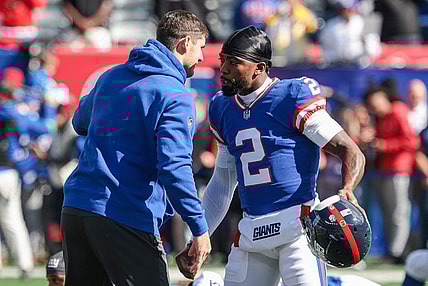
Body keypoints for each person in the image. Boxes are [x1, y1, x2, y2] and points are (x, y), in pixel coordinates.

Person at [176, 25, 366, 286]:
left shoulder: (292, 96)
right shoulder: (221, 107)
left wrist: (347, 188)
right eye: (223, 60)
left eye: (234, 62)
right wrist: (198, 235)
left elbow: (350, 150)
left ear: (259, 67)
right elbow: (222, 182)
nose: (224, 69)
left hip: (297, 230)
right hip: (252, 232)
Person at [61, 10, 212, 286]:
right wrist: (199, 228)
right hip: (125, 212)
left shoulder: (111, 76)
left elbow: (79, 121)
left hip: (77, 209)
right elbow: (174, 167)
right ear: (184, 44)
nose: (202, 57)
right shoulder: (174, 94)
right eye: (201, 47)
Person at [364, 88, 419, 264]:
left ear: (383, 98)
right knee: (388, 212)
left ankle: (398, 251)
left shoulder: (398, 112)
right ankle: (392, 250)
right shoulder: (379, 117)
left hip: (399, 169)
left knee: (398, 212)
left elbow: (411, 141)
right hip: (384, 170)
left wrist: (384, 145)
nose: (375, 107)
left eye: (376, 102)